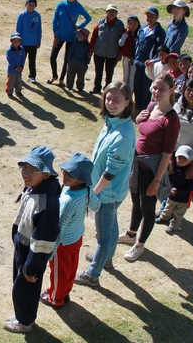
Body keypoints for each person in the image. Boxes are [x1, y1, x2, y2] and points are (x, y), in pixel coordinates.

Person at [75, 81, 136, 286]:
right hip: (110, 191)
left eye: (116, 100)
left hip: (106, 192)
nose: (111, 103)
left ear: (127, 102)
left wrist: (93, 193)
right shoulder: (113, 122)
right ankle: (107, 258)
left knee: (103, 237)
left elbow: (111, 171)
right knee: (110, 226)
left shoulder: (123, 134)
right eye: (108, 98)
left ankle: (93, 274)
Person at [119, 73, 180, 262]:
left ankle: (140, 244)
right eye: (154, 87)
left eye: (161, 89)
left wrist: (156, 181)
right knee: (135, 202)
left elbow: (167, 154)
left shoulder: (172, 120)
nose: (156, 92)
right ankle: (130, 234)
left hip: (151, 170)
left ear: (171, 90)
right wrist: (138, 121)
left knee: (147, 207)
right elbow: (145, 133)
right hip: (136, 164)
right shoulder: (151, 107)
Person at [3, 146, 60, 333]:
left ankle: (25, 322)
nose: (26, 174)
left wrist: (31, 268)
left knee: (25, 290)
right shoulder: (34, 187)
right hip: (23, 249)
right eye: (24, 168)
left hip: (31, 257)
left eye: (33, 170)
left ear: (45, 175)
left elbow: (44, 239)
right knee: (20, 288)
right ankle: (22, 316)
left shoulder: (47, 201)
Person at [40, 153, 100, 308]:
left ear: (81, 179)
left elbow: (58, 229)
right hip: (77, 238)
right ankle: (65, 292)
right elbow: (96, 206)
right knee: (71, 268)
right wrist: (90, 191)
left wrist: (51, 252)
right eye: (65, 171)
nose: (65, 176)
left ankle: (55, 298)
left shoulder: (68, 201)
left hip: (63, 243)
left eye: (71, 175)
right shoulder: (86, 189)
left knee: (59, 272)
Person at [48, 0, 92, 86]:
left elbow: (88, 18)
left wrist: (79, 27)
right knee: (52, 57)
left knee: (67, 59)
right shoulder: (61, 5)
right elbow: (55, 21)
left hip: (71, 37)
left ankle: (62, 79)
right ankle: (54, 75)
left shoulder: (78, 6)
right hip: (59, 36)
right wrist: (55, 35)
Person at [155, 145, 193, 233]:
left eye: (185, 158)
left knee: (179, 213)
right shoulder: (173, 168)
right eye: (179, 157)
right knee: (168, 208)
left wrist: (179, 192)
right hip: (172, 196)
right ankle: (164, 218)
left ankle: (174, 226)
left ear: (190, 161)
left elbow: (191, 187)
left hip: (184, 199)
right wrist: (170, 188)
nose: (181, 160)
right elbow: (168, 179)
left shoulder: (192, 173)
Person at [133, 7, 166, 111]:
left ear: (157, 17)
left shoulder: (160, 32)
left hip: (149, 64)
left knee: (146, 86)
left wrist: (154, 60)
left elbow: (160, 49)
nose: (149, 18)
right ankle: (137, 104)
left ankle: (144, 107)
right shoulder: (142, 29)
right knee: (137, 84)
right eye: (148, 16)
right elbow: (136, 44)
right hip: (138, 62)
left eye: (152, 16)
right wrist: (133, 56)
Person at [89, 4, 125, 95]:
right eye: (109, 11)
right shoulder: (100, 22)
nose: (111, 13)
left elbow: (122, 40)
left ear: (116, 13)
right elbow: (94, 36)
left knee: (109, 73)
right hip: (99, 52)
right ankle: (97, 87)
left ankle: (107, 89)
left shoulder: (120, 25)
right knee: (98, 72)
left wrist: (120, 54)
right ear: (106, 12)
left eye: (113, 12)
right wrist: (91, 49)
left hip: (112, 54)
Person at [16, 0, 42, 83]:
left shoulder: (37, 16)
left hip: (33, 43)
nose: (31, 7)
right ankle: (18, 75)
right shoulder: (21, 15)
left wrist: (38, 41)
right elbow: (18, 29)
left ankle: (32, 76)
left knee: (32, 60)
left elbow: (39, 29)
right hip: (23, 43)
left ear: (35, 6)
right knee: (21, 60)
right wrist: (18, 41)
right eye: (29, 5)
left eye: (33, 5)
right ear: (26, 5)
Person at [119, 14, 140, 91]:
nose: (132, 26)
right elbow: (120, 43)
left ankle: (130, 93)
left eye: (135, 23)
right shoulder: (125, 33)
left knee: (132, 77)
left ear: (138, 24)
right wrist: (125, 34)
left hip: (134, 58)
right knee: (126, 76)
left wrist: (134, 57)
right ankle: (124, 93)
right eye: (130, 24)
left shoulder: (140, 33)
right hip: (126, 57)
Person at [6, 32, 25, 98]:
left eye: (18, 41)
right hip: (12, 70)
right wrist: (15, 67)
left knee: (19, 81)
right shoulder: (9, 51)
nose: (16, 42)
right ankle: (10, 92)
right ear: (11, 41)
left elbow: (23, 58)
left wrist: (21, 66)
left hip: (19, 69)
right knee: (11, 81)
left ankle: (18, 91)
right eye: (14, 41)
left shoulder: (21, 49)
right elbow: (10, 60)